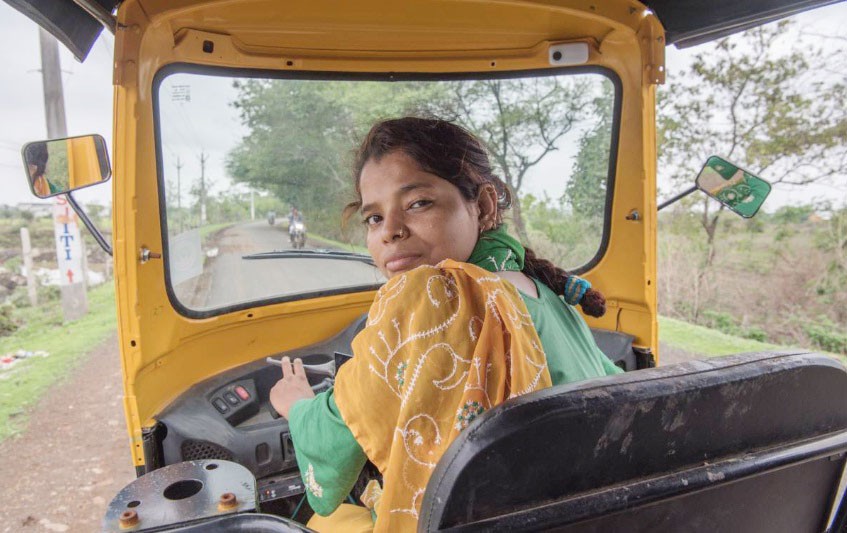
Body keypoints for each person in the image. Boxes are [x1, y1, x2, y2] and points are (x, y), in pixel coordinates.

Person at [270, 117, 622, 532]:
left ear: (484, 206)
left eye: (418, 203)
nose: (391, 232)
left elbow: (338, 431)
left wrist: (294, 404)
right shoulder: (546, 292)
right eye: (374, 218)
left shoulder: (432, 298)